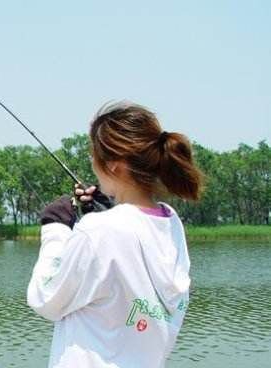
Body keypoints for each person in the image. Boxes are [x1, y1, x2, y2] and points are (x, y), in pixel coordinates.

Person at [26, 101, 203, 367]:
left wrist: (56, 227)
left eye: (93, 156)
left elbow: (46, 299)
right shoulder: (171, 224)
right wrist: (110, 210)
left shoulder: (99, 230)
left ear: (114, 166)